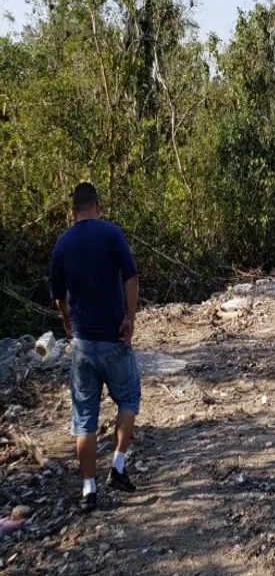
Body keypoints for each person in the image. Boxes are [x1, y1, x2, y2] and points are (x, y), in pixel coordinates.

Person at [50, 183, 141, 513]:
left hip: (83, 344)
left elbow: (59, 295)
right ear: (97, 206)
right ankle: (117, 465)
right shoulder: (112, 233)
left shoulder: (63, 243)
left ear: (73, 210)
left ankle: (88, 489)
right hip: (115, 339)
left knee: (84, 419)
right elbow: (131, 278)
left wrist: (66, 319)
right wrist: (130, 318)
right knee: (129, 398)